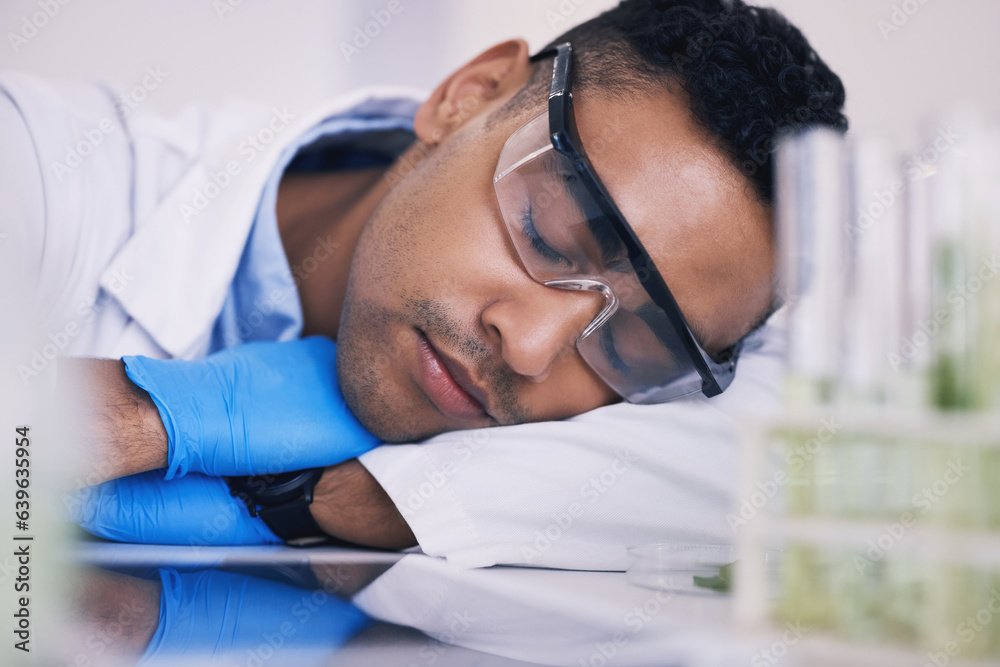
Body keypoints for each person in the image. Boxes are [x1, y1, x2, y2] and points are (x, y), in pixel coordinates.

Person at [1, 0, 846, 568]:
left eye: (631, 340)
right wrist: (149, 411)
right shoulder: (42, 171)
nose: (534, 346)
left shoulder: (659, 396)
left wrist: (345, 495)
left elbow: (868, 452)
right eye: (551, 234)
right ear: (469, 96)